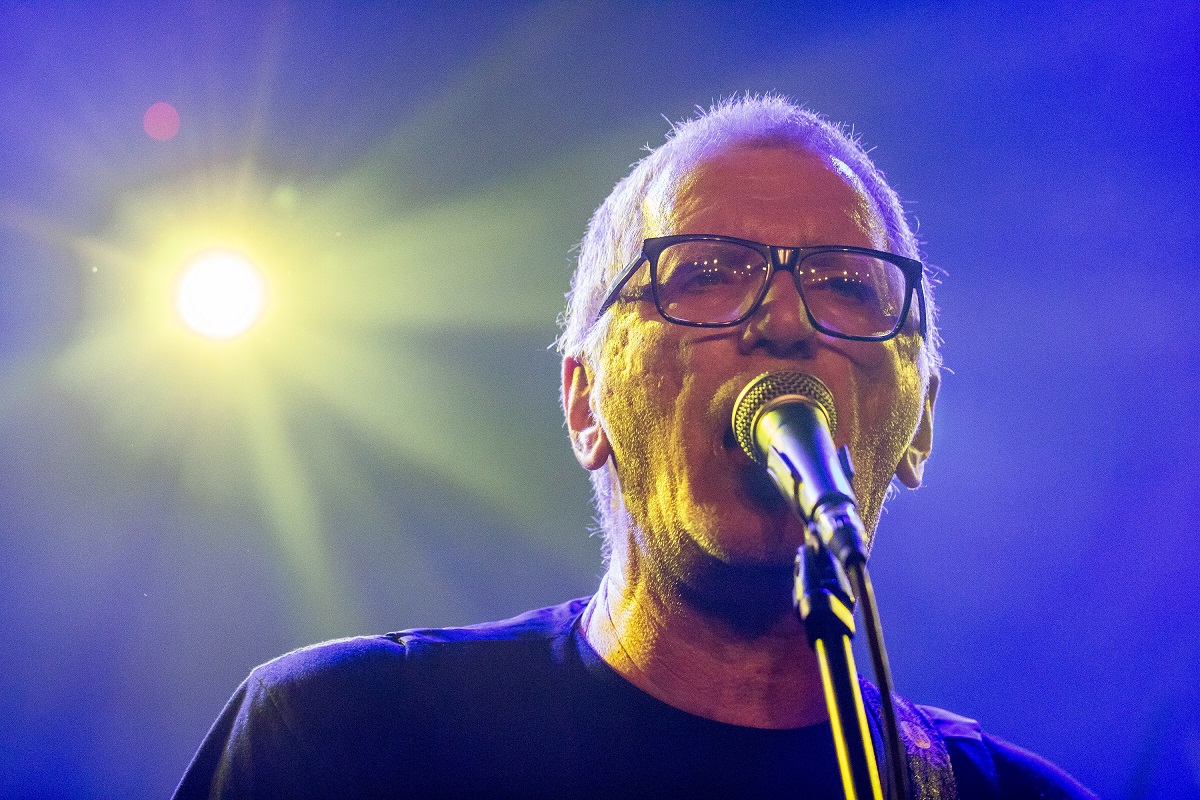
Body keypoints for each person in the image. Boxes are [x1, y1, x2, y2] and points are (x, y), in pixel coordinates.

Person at [174, 95, 1096, 799]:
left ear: (920, 420)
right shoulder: (345, 737)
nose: (785, 320)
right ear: (586, 404)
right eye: (706, 273)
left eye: (848, 286)